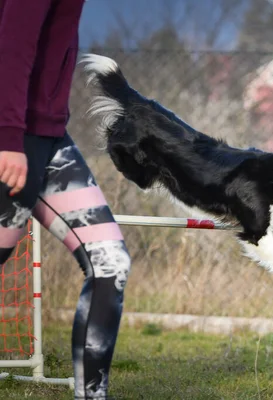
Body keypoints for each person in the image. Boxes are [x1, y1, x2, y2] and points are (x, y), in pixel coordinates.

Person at [0, 1, 130, 398]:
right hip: (14, 138)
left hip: (49, 136)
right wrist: (7, 138)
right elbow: (12, 46)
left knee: (110, 261)